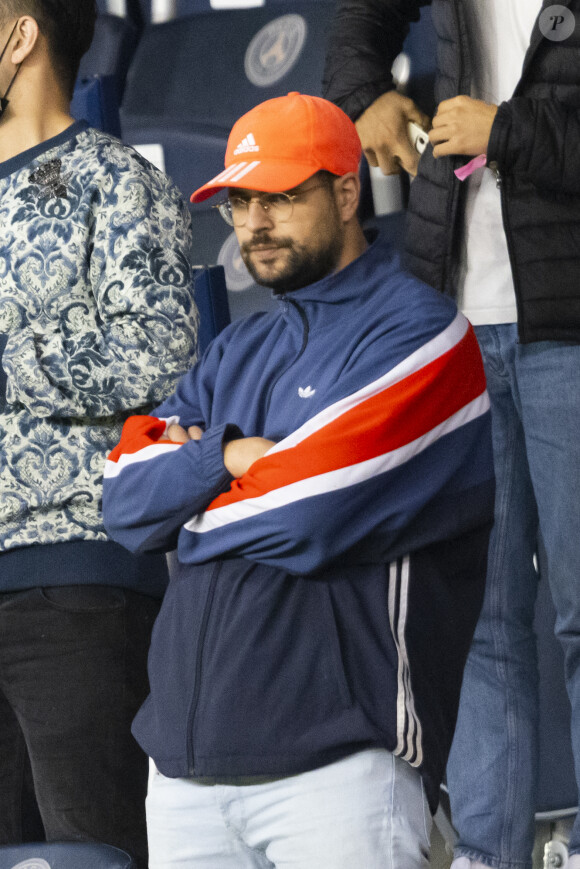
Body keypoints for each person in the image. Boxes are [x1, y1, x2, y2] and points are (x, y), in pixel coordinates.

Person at [101, 91, 494, 869]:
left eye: (279, 195)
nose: (254, 222)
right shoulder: (231, 352)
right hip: (185, 774)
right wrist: (230, 458)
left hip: (337, 768)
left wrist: (192, 498)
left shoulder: (421, 332)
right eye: (240, 201)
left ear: (346, 191)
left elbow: (312, 510)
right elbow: (122, 500)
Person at [323, 2, 580, 868]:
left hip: (569, 331)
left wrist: (507, 131)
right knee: (481, 622)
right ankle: (485, 852)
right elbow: (359, 27)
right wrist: (365, 96)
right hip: (458, 321)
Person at [0, 1, 198, 865]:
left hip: (72, 578)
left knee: (88, 849)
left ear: (19, 37)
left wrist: (10, 353)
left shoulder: (114, 180)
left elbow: (159, 354)